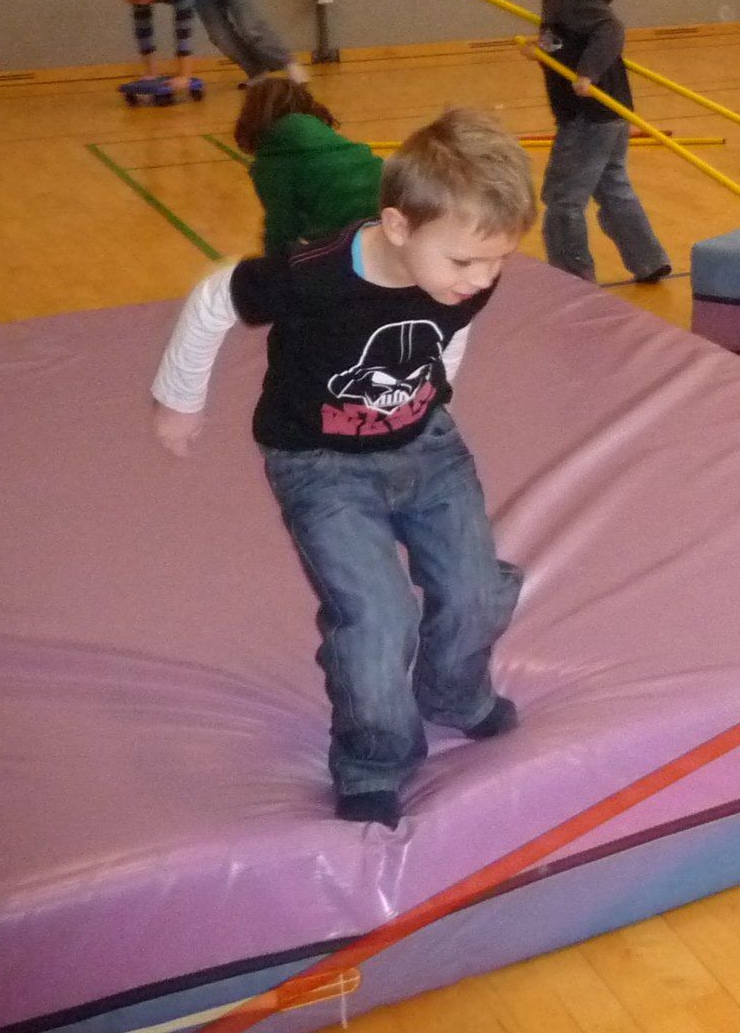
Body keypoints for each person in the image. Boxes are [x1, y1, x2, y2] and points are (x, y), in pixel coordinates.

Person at [148, 108, 535, 827]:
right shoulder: (315, 276)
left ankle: (454, 693)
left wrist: (432, 395)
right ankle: (373, 758)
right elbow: (214, 299)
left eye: (498, 261)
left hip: (426, 446)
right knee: (378, 619)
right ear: (397, 226)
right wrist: (179, 400)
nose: (482, 279)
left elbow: (445, 333)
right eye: (464, 262)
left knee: (477, 590)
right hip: (319, 463)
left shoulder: (467, 276)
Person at [526, 0, 672, 286]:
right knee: (612, 187)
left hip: (587, 117)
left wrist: (588, 72)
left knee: (563, 197)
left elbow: (610, 29)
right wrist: (542, 49)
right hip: (608, 115)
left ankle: (571, 279)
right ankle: (648, 260)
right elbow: (570, 42)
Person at [233, 73, 382, 254]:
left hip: (345, 230)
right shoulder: (322, 133)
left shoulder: (272, 161)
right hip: (389, 211)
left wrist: (269, 265)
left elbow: (282, 226)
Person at [115, 0, 303, 85]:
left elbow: (183, 33)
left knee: (248, 25)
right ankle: (257, 74)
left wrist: (184, 76)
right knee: (219, 36)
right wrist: (151, 73)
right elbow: (144, 33)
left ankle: (288, 64)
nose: (129, 3)